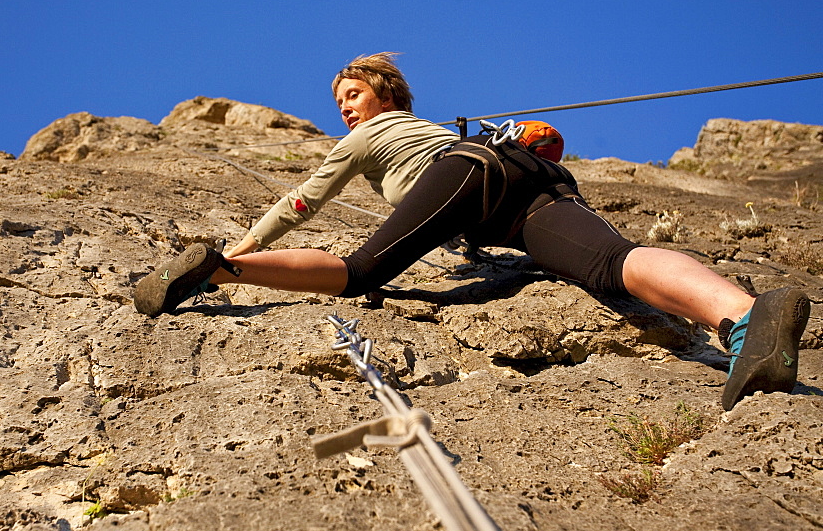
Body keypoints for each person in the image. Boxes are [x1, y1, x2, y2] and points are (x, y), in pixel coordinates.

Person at [135, 53, 810, 411]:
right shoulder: (437, 126)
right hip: (517, 185)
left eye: (353, 96)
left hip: (462, 179)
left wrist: (244, 242)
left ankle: (217, 270)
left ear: (386, 95)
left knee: (363, 269)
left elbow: (302, 201)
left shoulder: (371, 136)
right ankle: (746, 317)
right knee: (613, 263)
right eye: (340, 102)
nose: (345, 110)